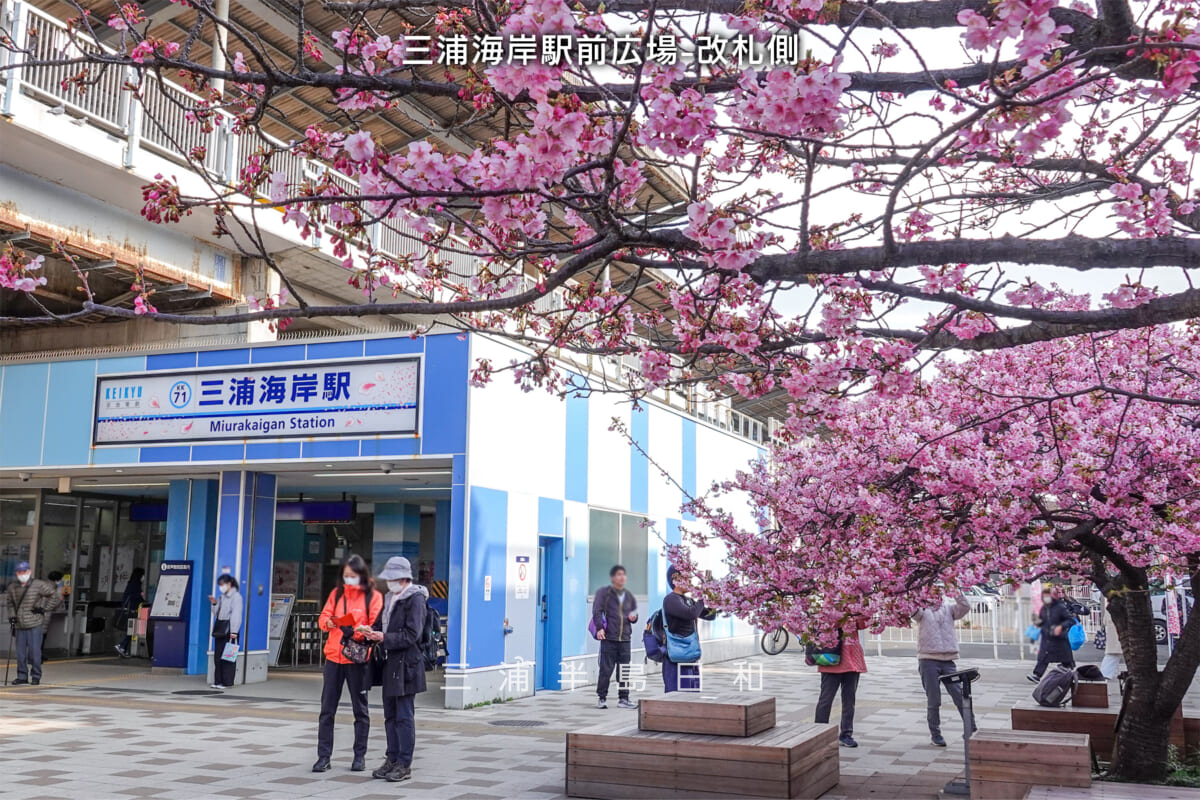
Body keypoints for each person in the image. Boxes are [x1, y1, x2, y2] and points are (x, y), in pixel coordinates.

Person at [313, 555, 384, 774]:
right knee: (327, 710)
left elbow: (374, 626)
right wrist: (332, 622)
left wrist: (357, 631)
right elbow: (323, 618)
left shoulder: (374, 597)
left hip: (358, 658)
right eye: (346, 576)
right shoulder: (337, 594)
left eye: (352, 576)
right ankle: (323, 757)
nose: (349, 579)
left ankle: (359, 756)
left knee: (360, 709)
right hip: (334, 656)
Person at [366, 557, 428, 783]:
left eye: (392, 578)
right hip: (390, 664)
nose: (389, 582)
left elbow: (413, 635)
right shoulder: (390, 598)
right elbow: (381, 626)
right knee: (389, 716)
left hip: (407, 665)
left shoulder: (416, 599)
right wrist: (370, 632)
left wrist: (384, 637)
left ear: (404, 578)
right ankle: (391, 759)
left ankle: (404, 763)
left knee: (404, 716)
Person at [912, 594, 975, 747]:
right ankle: (936, 734)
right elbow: (912, 611)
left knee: (960, 695)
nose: (935, 594)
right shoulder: (922, 610)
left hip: (948, 660)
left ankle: (971, 729)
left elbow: (965, 607)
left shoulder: (949, 609)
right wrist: (913, 594)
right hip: (928, 660)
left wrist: (956, 591)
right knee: (934, 699)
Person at [814, 616, 869, 748]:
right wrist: (846, 616)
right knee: (826, 699)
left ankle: (846, 734)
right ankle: (818, 734)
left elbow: (862, 624)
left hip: (853, 659)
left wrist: (861, 611)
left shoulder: (856, 604)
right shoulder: (829, 603)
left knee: (849, 700)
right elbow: (825, 623)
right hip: (831, 658)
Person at [4, 562, 62, 686]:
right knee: (20, 654)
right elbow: (10, 603)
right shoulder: (12, 587)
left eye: (24, 571)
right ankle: (22, 676)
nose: (22, 574)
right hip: (19, 624)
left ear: (29, 572)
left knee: (35, 652)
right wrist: (12, 616)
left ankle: (36, 676)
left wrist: (44, 609)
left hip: (35, 622)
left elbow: (55, 597)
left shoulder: (39, 585)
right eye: (19, 572)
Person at [661, 565, 716, 693]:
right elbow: (690, 614)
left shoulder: (689, 601)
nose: (690, 581)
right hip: (676, 657)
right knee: (676, 697)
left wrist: (712, 596)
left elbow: (710, 615)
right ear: (675, 580)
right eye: (687, 578)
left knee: (692, 695)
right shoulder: (671, 600)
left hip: (689, 654)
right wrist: (702, 597)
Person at [593, 564, 639, 709]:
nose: (622, 577)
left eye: (624, 574)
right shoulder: (604, 593)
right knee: (606, 669)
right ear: (612, 578)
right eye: (619, 574)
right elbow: (597, 611)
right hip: (609, 638)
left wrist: (634, 618)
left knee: (624, 670)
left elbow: (634, 614)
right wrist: (600, 628)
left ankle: (623, 699)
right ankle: (602, 697)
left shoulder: (628, 595)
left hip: (625, 638)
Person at [1027, 585, 1076, 683]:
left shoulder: (1060, 607)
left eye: (1047, 596)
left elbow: (1070, 620)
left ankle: (1070, 673)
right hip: (1047, 636)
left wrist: (1061, 626)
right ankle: (1037, 675)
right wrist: (1037, 624)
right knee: (1043, 657)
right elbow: (1042, 620)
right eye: (1044, 596)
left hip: (1059, 638)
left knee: (1065, 658)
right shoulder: (1044, 608)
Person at [208, 575, 243, 690]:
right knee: (218, 656)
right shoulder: (222, 597)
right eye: (220, 584)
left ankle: (227, 682)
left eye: (222, 584)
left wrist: (234, 631)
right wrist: (214, 603)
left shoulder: (236, 597)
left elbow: (236, 614)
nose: (221, 587)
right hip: (221, 629)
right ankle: (218, 681)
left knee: (228, 656)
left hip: (230, 630)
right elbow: (216, 613)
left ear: (229, 584)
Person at [115, 567, 146, 658]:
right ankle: (122, 646)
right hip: (132, 611)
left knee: (131, 630)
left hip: (130, 610)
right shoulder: (135, 584)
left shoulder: (132, 583)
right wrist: (142, 597)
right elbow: (135, 597)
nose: (143, 577)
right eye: (142, 575)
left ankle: (123, 648)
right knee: (131, 630)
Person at [1100, 608, 1123, 680]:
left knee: (1112, 655)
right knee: (1113, 655)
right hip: (1120, 633)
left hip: (1112, 634)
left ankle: (1105, 673)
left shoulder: (1110, 607)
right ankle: (1105, 674)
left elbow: (1104, 621)